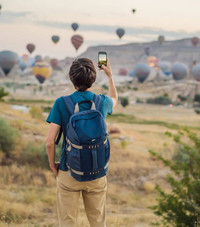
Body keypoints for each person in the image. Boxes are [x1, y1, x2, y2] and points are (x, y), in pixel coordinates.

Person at [45, 57, 118, 227]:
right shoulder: (102, 101)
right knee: (98, 222)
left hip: (68, 171)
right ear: (93, 78)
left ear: (72, 78)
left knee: (68, 223)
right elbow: (115, 99)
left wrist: (52, 165)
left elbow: (50, 142)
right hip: (97, 172)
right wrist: (110, 77)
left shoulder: (61, 103)